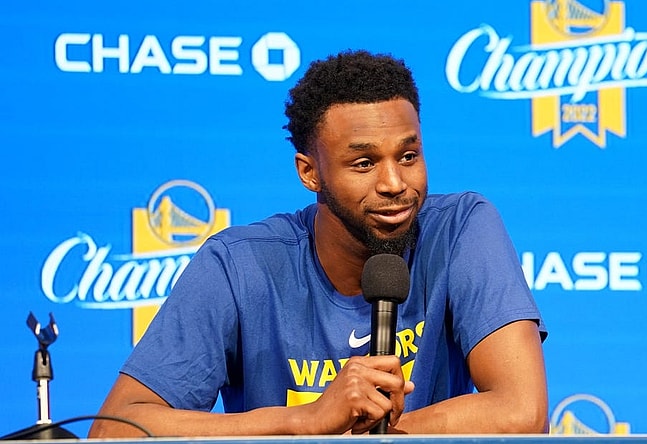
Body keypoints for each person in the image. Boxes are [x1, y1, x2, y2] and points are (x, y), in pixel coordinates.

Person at [88, 49, 548, 437]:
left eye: (408, 156)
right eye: (364, 163)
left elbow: (523, 412)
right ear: (310, 172)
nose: (394, 183)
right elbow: (116, 428)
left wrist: (364, 438)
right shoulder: (237, 267)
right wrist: (303, 422)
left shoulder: (462, 229)